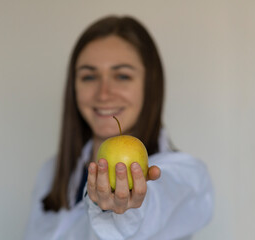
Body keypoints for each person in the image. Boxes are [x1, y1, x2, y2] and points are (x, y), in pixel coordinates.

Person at [24, 15, 214, 240]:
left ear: (150, 85)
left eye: (122, 75)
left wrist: (126, 206)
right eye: (89, 76)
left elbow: (156, 202)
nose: (104, 93)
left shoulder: (185, 176)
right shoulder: (51, 173)